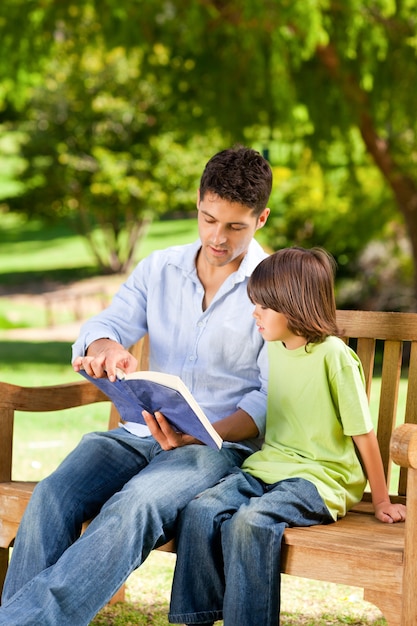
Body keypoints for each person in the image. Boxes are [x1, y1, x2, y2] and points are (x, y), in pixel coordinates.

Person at [0, 145, 272, 625]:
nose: (217, 237)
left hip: (214, 446)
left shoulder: (272, 288)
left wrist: (203, 433)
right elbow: (105, 325)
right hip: (140, 432)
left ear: (261, 219)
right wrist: (106, 347)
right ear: (197, 203)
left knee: (136, 505)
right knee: (52, 493)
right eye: (208, 219)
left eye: (235, 227)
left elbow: (269, 398)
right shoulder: (158, 268)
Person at [168, 246, 407, 626]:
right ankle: (195, 619)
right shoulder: (274, 348)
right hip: (271, 467)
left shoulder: (334, 357)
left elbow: (363, 434)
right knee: (201, 510)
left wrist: (380, 500)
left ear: (294, 306)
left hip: (322, 478)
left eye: (264, 306)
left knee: (249, 523)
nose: (255, 313)